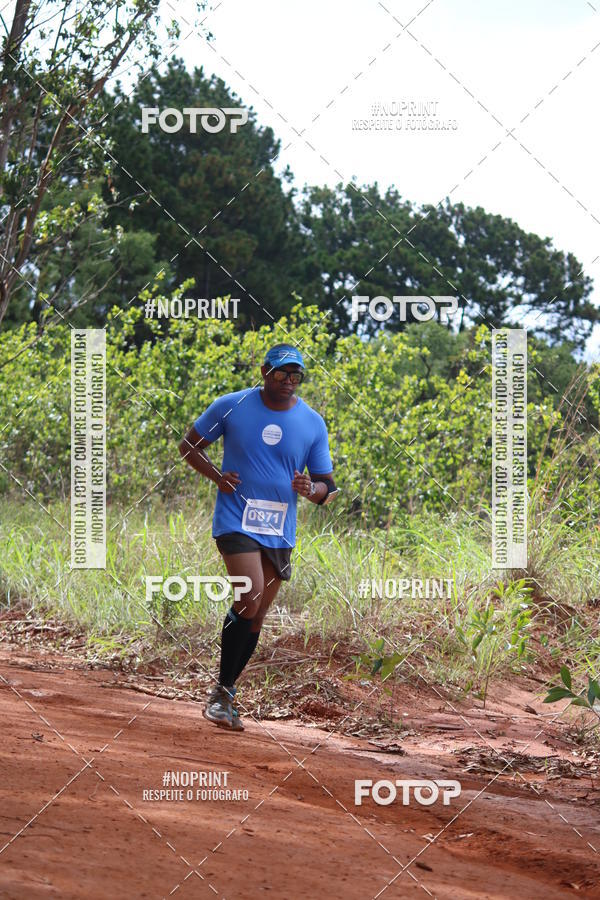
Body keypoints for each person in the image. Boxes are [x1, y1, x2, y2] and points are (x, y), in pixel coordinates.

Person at [178, 343, 339, 731]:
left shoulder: (312, 422)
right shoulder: (231, 405)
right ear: (265, 372)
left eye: (296, 375)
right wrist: (218, 477)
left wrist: (310, 489)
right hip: (236, 520)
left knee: (256, 615)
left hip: (279, 529)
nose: (288, 381)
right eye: (281, 373)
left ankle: (225, 693)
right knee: (248, 597)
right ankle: (220, 697)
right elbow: (189, 446)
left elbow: (328, 488)